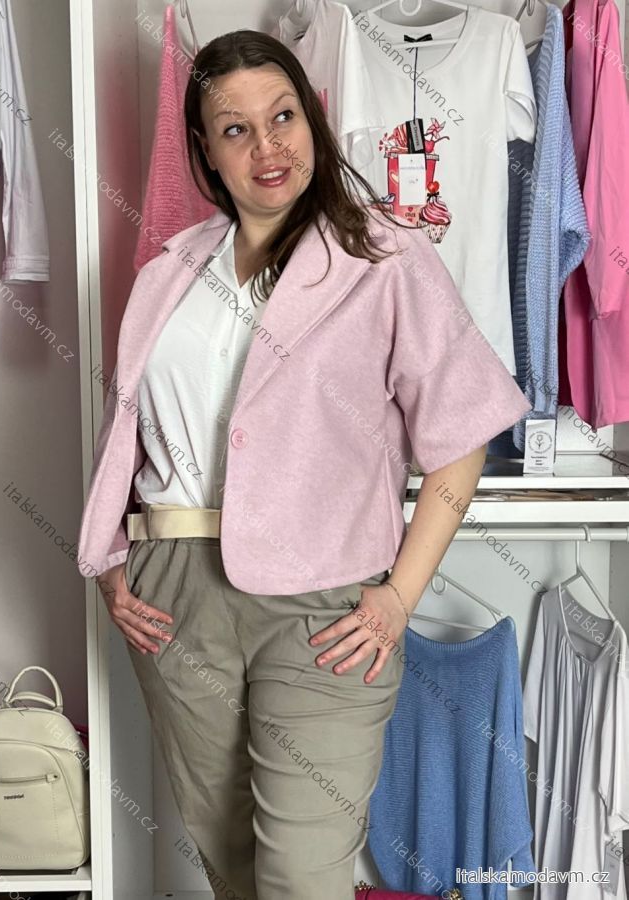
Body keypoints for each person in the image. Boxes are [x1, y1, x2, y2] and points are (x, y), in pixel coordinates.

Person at [77, 29, 531, 900]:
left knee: (302, 876)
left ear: (313, 121)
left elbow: (460, 440)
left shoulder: (383, 257)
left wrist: (397, 598)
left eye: (281, 116)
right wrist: (111, 562)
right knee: (233, 869)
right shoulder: (170, 273)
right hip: (172, 593)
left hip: (323, 605)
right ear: (206, 150)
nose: (267, 145)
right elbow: (130, 432)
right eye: (235, 129)